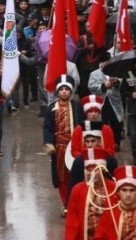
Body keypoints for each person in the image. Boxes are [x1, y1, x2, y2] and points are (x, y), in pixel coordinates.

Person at [43, 75, 84, 216]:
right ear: (57, 91)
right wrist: (48, 143)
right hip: (59, 148)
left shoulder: (77, 107)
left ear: (71, 91)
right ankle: (66, 204)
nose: (64, 92)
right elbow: (47, 128)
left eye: (67, 89)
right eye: (62, 89)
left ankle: (76, 203)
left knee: (76, 175)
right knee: (62, 177)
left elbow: (83, 126)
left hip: (76, 147)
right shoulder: (51, 109)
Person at [93, 165, 136, 239]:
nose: (128, 194)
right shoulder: (109, 215)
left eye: (132, 190)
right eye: (124, 190)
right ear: (118, 192)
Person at [65, 147, 117, 240]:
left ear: (102, 170)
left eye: (95, 170)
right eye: (89, 170)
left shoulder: (114, 188)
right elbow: (71, 222)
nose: (91, 173)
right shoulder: (77, 190)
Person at [88, 52, 124, 151]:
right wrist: (104, 86)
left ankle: (116, 142)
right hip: (101, 103)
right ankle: (102, 142)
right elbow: (91, 87)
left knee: (115, 124)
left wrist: (116, 82)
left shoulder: (116, 72)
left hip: (114, 102)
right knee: (102, 124)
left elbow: (122, 85)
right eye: (104, 62)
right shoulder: (94, 74)